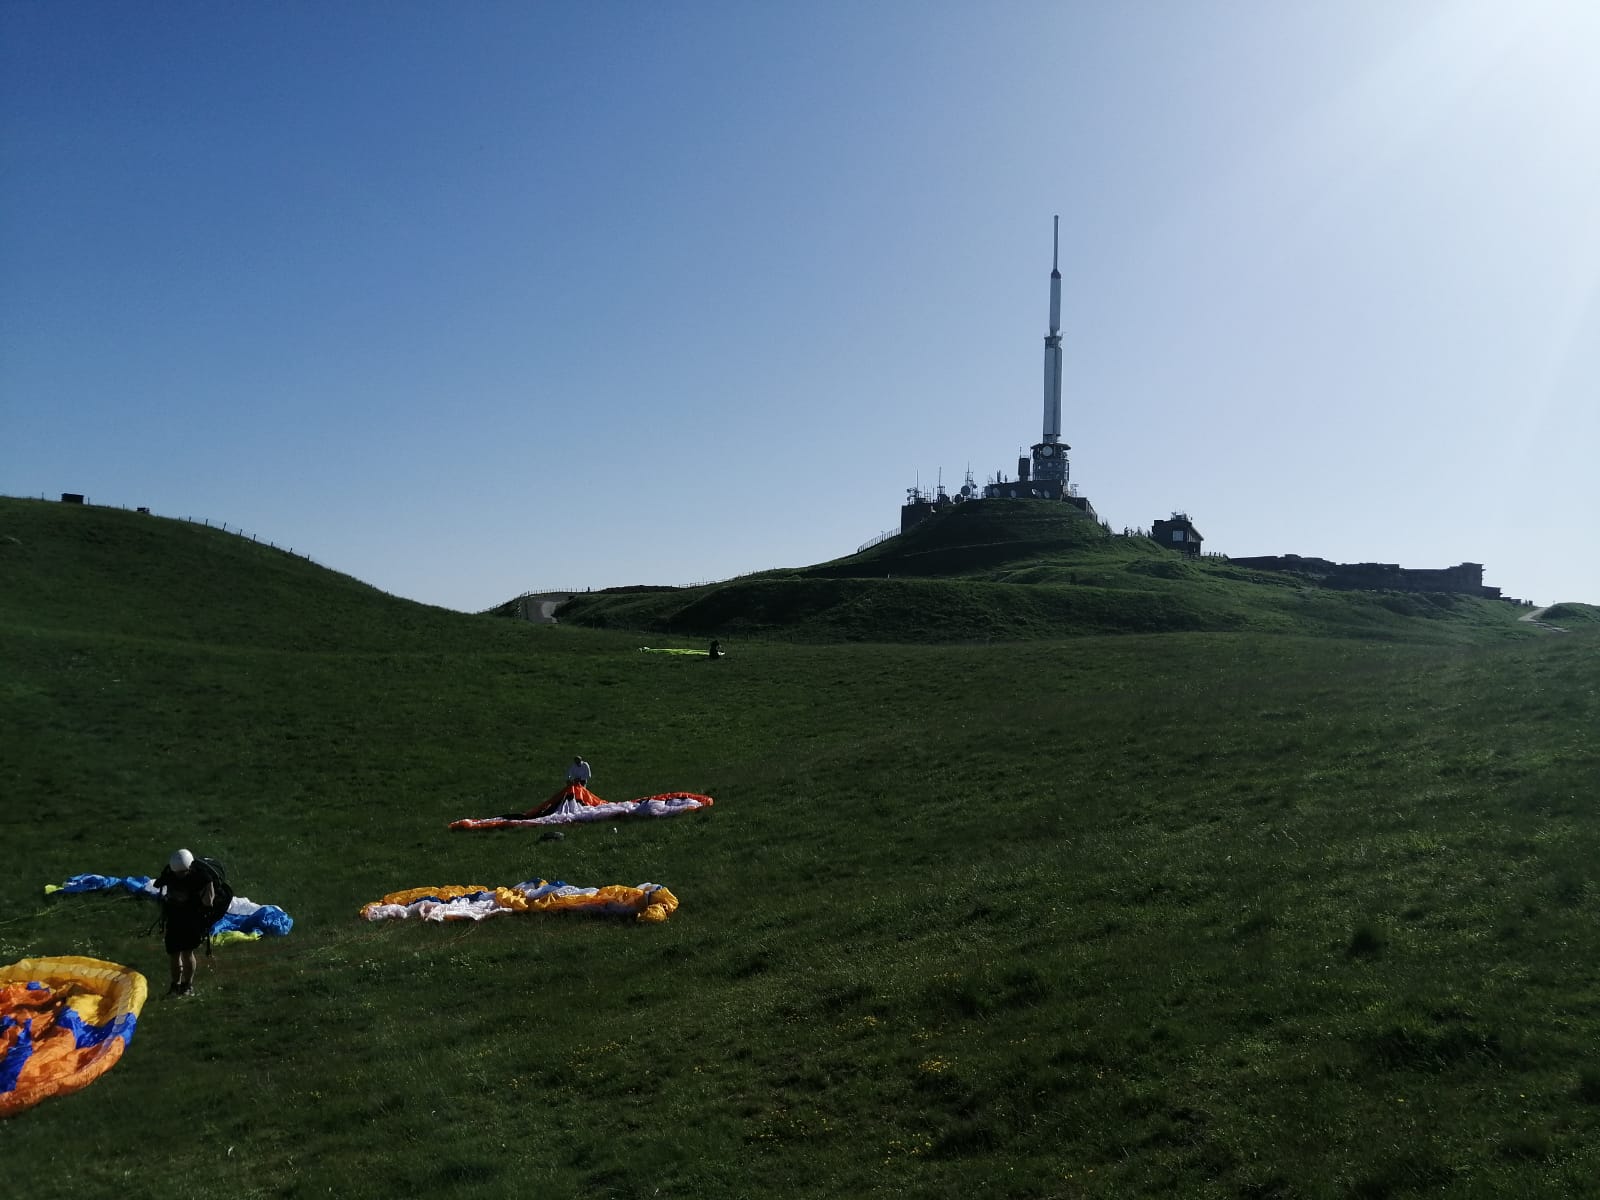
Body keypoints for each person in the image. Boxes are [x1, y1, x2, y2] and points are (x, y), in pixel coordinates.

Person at [154, 849, 216, 997]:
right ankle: (175, 985)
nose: (179, 875)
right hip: (175, 920)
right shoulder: (170, 874)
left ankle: (187, 985)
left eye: (182, 873)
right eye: (177, 873)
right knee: (174, 954)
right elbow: (159, 886)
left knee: (187, 953)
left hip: (191, 921)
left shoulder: (202, 878)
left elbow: (209, 902)